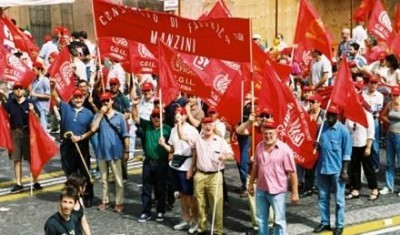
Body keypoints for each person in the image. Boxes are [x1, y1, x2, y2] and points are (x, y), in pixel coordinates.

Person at [177, 116, 234, 235]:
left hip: (215, 175)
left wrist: (225, 157)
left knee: (217, 204)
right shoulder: (197, 138)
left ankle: (218, 231)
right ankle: (201, 228)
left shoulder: (220, 141)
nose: (208, 126)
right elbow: (182, 136)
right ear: (202, 126)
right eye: (205, 124)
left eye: (210, 124)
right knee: (200, 202)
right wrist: (179, 123)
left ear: (213, 126)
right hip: (200, 175)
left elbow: (231, 155)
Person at [248, 120, 299, 235]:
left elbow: (292, 172)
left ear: (277, 133)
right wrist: (251, 184)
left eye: (271, 133)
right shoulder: (259, 147)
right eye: (266, 133)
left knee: (279, 221)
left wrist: (295, 192)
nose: (268, 136)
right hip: (261, 190)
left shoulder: (285, 150)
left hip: (277, 192)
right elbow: (255, 167)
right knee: (261, 220)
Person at [159, 107, 199, 234]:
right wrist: (164, 144)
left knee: (190, 196)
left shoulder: (192, 130)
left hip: (186, 164)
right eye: (176, 114)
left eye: (181, 114)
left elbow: (195, 150)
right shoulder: (172, 130)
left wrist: (192, 168)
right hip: (176, 164)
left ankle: (195, 221)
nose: (178, 116)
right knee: (182, 195)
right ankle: (186, 218)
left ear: (185, 116)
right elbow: (172, 149)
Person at [313, 104, 352, 235]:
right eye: (328, 114)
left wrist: (344, 171)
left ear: (337, 116)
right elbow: (317, 146)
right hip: (322, 168)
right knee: (323, 198)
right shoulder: (320, 128)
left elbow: (347, 153)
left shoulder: (343, 131)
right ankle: (325, 222)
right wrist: (316, 145)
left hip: (337, 170)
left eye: (332, 115)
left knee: (339, 200)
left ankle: (339, 225)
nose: (329, 117)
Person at [53, 87, 94, 207]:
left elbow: (92, 130)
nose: (78, 100)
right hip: (67, 145)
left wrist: (81, 137)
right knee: (70, 172)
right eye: (75, 97)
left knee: (85, 172)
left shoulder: (88, 113)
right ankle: (72, 196)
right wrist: (52, 86)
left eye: (80, 97)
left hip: (81, 145)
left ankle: (87, 195)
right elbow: (55, 96)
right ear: (72, 98)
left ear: (83, 98)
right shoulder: (66, 107)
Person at [132, 103, 171, 222]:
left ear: (163, 117)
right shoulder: (147, 125)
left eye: (159, 116)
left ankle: (160, 211)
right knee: (146, 188)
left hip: (161, 162)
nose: (156, 118)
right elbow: (135, 118)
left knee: (160, 188)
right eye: (154, 116)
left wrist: (165, 144)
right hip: (148, 162)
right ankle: (146, 212)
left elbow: (173, 145)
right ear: (151, 117)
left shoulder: (167, 129)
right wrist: (134, 106)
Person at [91, 92, 130, 213]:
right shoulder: (99, 115)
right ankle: (105, 200)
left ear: (112, 101)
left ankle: (119, 202)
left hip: (115, 152)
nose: (105, 103)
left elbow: (125, 135)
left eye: (107, 100)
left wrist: (127, 150)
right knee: (103, 179)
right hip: (102, 152)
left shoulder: (120, 116)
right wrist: (101, 113)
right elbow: (93, 128)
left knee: (118, 179)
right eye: (103, 101)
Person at [3, 82, 42, 193]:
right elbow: (3, 116)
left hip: (28, 133)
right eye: (16, 88)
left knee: (31, 158)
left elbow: (38, 121)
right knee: (17, 159)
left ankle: (35, 181)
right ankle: (18, 183)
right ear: (13, 90)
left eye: (21, 88)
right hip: (14, 132)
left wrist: (33, 111)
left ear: (24, 90)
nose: (19, 90)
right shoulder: (9, 103)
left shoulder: (30, 103)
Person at [345, 88, 378, 201]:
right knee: (354, 168)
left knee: (368, 168)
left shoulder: (367, 115)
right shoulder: (349, 115)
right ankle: (356, 188)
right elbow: (346, 130)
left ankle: (374, 188)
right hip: (353, 144)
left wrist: (369, 146)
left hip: (364, 144)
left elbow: (371, 132)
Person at [379, 86, 400, 195]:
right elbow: (382, 115)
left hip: (399, 135)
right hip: (390, 134)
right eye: (393, 94)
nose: (395, 97)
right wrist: (389, 122)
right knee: (389, 161)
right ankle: (388, 185)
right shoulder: (389, 104)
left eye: (397, 95)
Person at [362, 76, 384, 172]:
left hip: (373, 119)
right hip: (363, 119)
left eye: (375, 83)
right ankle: (365, 163)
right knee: (362, 141)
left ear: (377, 84)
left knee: (374, 144)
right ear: (368, 83)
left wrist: (366, 106)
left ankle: (375, 164)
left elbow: (376, 108)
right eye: (372, 83)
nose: (373, 85)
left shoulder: (380, 95)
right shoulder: (363, 93)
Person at [30, 62, 51, 131]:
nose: (33, 72)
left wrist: (35, 95)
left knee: (43, 129)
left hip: (42, 108)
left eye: (34, 70)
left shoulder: (45, 80)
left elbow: (48, 96)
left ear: (39, 70)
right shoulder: (33, 80)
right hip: (34, 108)